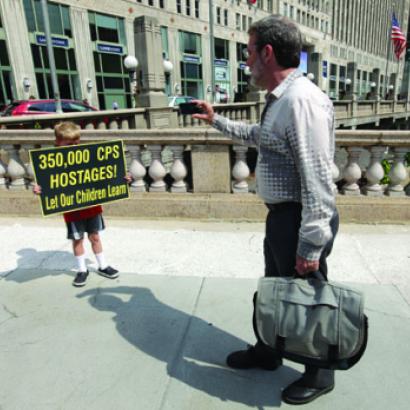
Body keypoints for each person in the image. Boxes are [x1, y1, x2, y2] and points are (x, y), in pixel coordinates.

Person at [193, 15, 339, 405]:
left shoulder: (302, 100)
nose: (246, 60)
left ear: (268, 53)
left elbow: (319, 179)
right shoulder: (281, 100)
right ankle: (269, 352)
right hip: (283, 217)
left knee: (308, 301)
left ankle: (321, 372)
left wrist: (310, 245)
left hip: (299, 219)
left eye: (249, 51)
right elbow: (261, 137)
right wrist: (216, 120)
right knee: (274, 292)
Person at [33, 121, 120, 287]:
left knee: (95, 236)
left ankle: (103, 265)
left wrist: (122, 179)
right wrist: (39, 189)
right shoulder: (51, 161)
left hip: (92, 205)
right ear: (58, 142)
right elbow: (47, 184)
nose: (73, 146)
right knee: (77, 240)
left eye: (76, 143)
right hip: (72, 210)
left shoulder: (88, 156)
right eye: (69, 144)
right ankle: (82, 269)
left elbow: (105, 174)